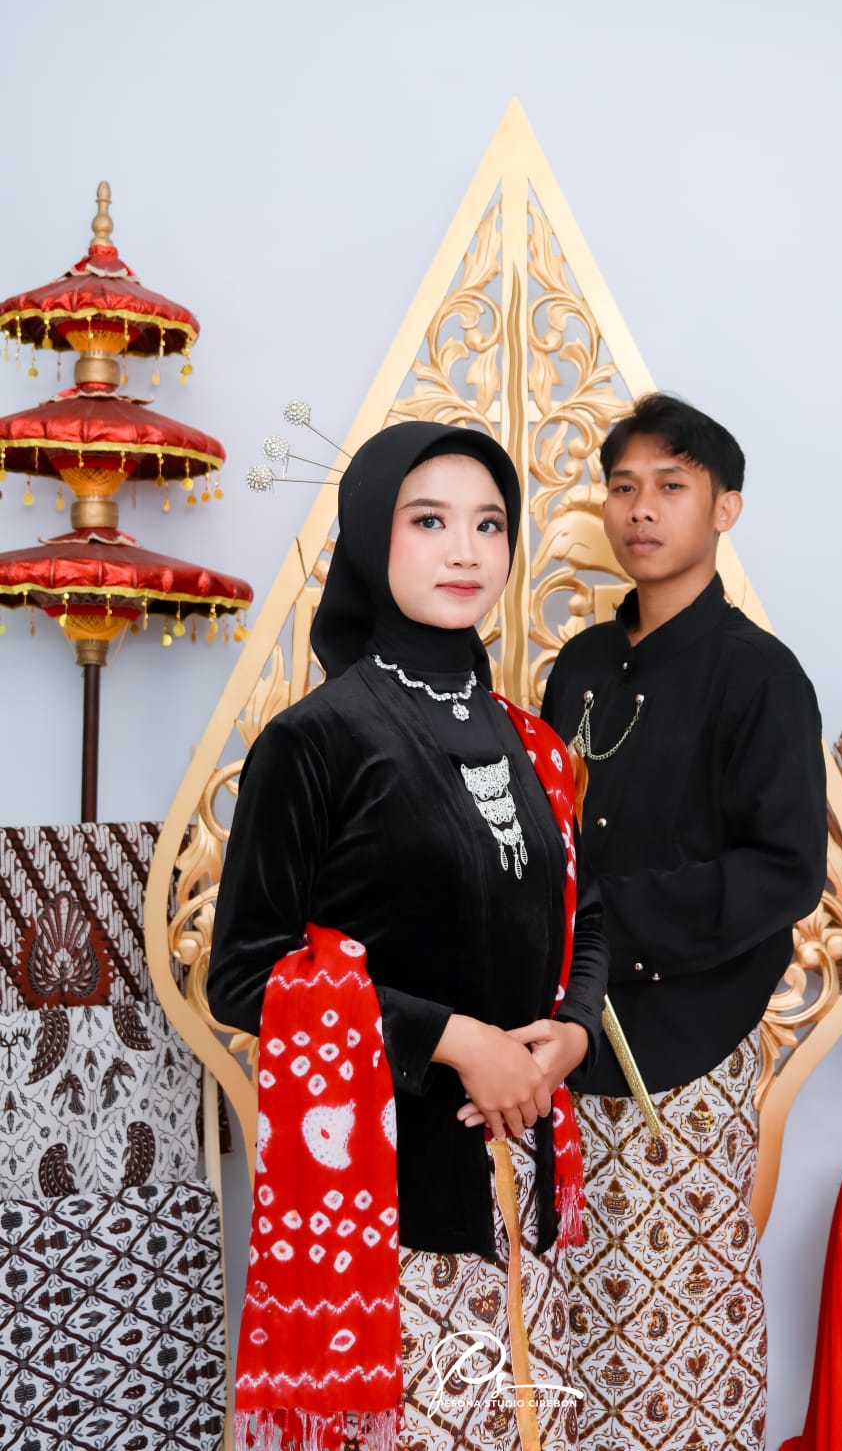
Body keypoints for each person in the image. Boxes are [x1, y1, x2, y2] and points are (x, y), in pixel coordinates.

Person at [207, 421, 608, 1451]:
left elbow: (587, 914)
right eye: (429, 521)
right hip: (387, 1209)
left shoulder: (531, 742)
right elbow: (244, 973)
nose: (465, 549)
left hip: (524, 1185)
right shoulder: (316, 740)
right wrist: (457, 1039)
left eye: (488, 523)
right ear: (369, 536)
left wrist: (567, 1035)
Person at [540, 393, 827, 1451]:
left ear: (724, 507)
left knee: (680, 1313)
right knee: (570, 1303)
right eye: (622, 487)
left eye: (671, 485)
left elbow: (784, 870)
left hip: (689, 1043)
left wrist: (613, 914)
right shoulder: (577, 666)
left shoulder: (760, 675)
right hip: (566, 1037)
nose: (641, 508)